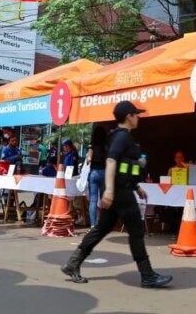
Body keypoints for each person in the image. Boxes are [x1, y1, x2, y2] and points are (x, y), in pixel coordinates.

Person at [61, 101, 172, 288]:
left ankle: (73, 264)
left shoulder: (118, 136)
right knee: (136, 231)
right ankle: (147, 275)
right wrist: (111, 191)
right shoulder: (122, 137)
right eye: (136, 114)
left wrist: (136, 186)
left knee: (102, 228)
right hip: (119, 192)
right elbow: (111, 161)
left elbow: (122, 165)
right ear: (129, 116)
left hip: (120, 189)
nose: (138, 118)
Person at [85, 127, 108, 228]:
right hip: (104, 173)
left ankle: (93, 225)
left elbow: (89, 159)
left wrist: (87, 158)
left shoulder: (92, 145)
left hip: (94, 173)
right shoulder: (107, 146)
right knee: (104, 199)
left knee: (93, 200)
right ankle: (103, 222)